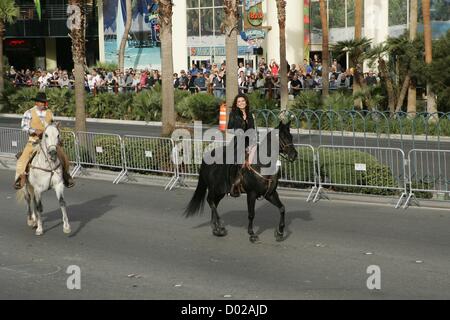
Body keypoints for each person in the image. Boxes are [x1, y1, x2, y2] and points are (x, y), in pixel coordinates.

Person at [14, 92, 75, 190]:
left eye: (44, 102)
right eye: (41, 102)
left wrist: (58, 133)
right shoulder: (29, 112)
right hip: (34, 141)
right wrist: (34, 130)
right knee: (23, 158)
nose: (43, 104)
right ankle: (21, 178)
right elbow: (24, 126)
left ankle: (66, 175)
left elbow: (53, 126)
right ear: (36, 102)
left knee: (63, 156)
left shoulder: (49, 112)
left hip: (49, 141)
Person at [227, 94, 256, 197]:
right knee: (237, 162)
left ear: (246, 102)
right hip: (237, 142)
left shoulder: (250, 114)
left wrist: (253, 142)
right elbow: (229, 129)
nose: (241, 103)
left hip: (250, 141)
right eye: (238, 102)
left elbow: (253, 129)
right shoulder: (233, 114)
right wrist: (238, 132)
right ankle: (233, 185)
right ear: (236, 103)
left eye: (242, 101)